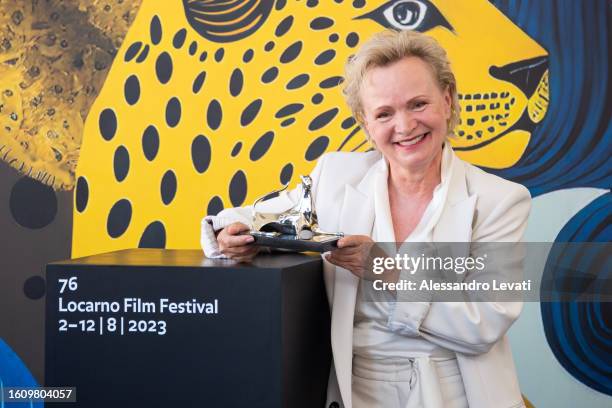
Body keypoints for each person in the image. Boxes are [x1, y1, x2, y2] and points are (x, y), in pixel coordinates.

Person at [201, 30, 530, 408]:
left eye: (418, 104)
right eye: (384, 113)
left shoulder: (500, 200)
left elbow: (485, 322)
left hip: (458, 393)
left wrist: (388, 272)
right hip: (349, 389)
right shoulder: (335, 176)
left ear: (448, 99)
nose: (405, 126)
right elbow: (259, 217)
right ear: (365, 122)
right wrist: (231, 235)